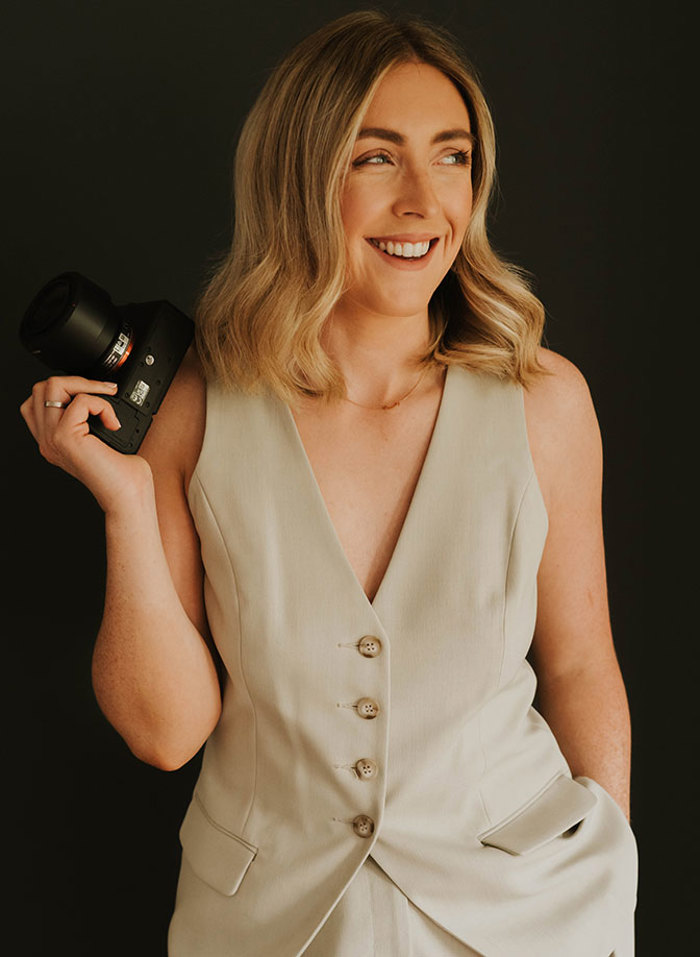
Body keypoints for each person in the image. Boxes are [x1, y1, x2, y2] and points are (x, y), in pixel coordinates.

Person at [19, 9, 638, 956]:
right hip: (271, 924)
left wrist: (607, 876)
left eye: (454, 156)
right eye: (375, 158)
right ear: (298, 176)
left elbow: (582, 664)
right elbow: (165, 732)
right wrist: (127, 504)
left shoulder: (544, 400)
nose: (426, 202)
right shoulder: (196, 402)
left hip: (523, 917)